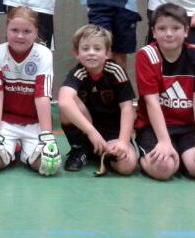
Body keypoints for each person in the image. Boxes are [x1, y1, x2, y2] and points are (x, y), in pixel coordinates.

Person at [134, 3, 195, 181]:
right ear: (153, 32)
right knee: (164, 169)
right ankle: (163, 157)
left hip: (188, 128)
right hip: (154, 128)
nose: (169, 33)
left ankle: (182, 157)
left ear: (186, 31)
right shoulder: (147, 55)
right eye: (162, 28)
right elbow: (151, 102)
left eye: (175, 28)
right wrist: (164, 141)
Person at [0, 6, 61, 176]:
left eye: (27, 31)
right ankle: (13, 149)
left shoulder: (43, 54)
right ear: (7, 29)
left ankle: (22, 151)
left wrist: (46, 134)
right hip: (6, 122)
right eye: (14, 30)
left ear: (35, 33)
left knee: (48, 165)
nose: (20, 36)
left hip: (34, 123)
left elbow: (42, 96)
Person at [58, 24, 137, 175]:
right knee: (67, 102)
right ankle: (79, 149)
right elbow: (64, 101)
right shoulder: (78, 73)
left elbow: (127, 108)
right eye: (85, 48)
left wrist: (123, 141)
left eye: (97, 48)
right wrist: (91, 132)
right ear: (77, 54)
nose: (91, 53)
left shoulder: (115, 71)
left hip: (113, 134)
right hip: (87, 131)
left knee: (127, 166)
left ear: (107, 53)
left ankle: (104, 153)